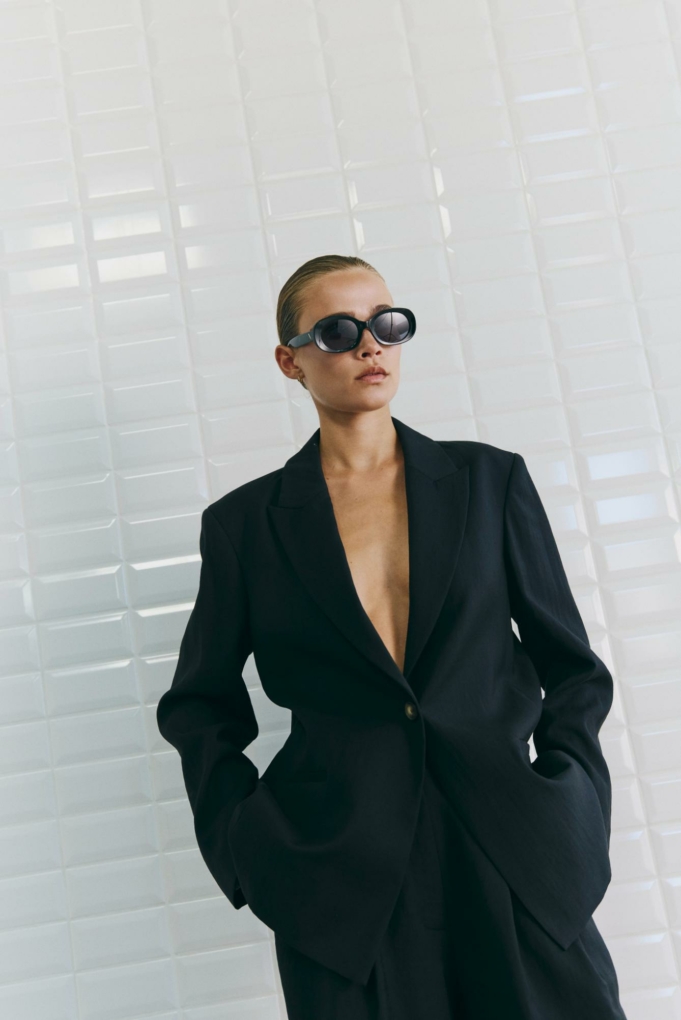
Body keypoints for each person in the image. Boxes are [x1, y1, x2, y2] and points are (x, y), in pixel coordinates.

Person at [156, 254, 629, 1019]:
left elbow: (573, 668)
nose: (370, 345)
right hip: (343, 884)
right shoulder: (245, 527)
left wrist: (571, 796)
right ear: (290, 361)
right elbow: (197, 704)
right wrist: (246, 845)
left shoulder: (488, 482)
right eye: (338, 332)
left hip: (514, 850)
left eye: (386, 324)